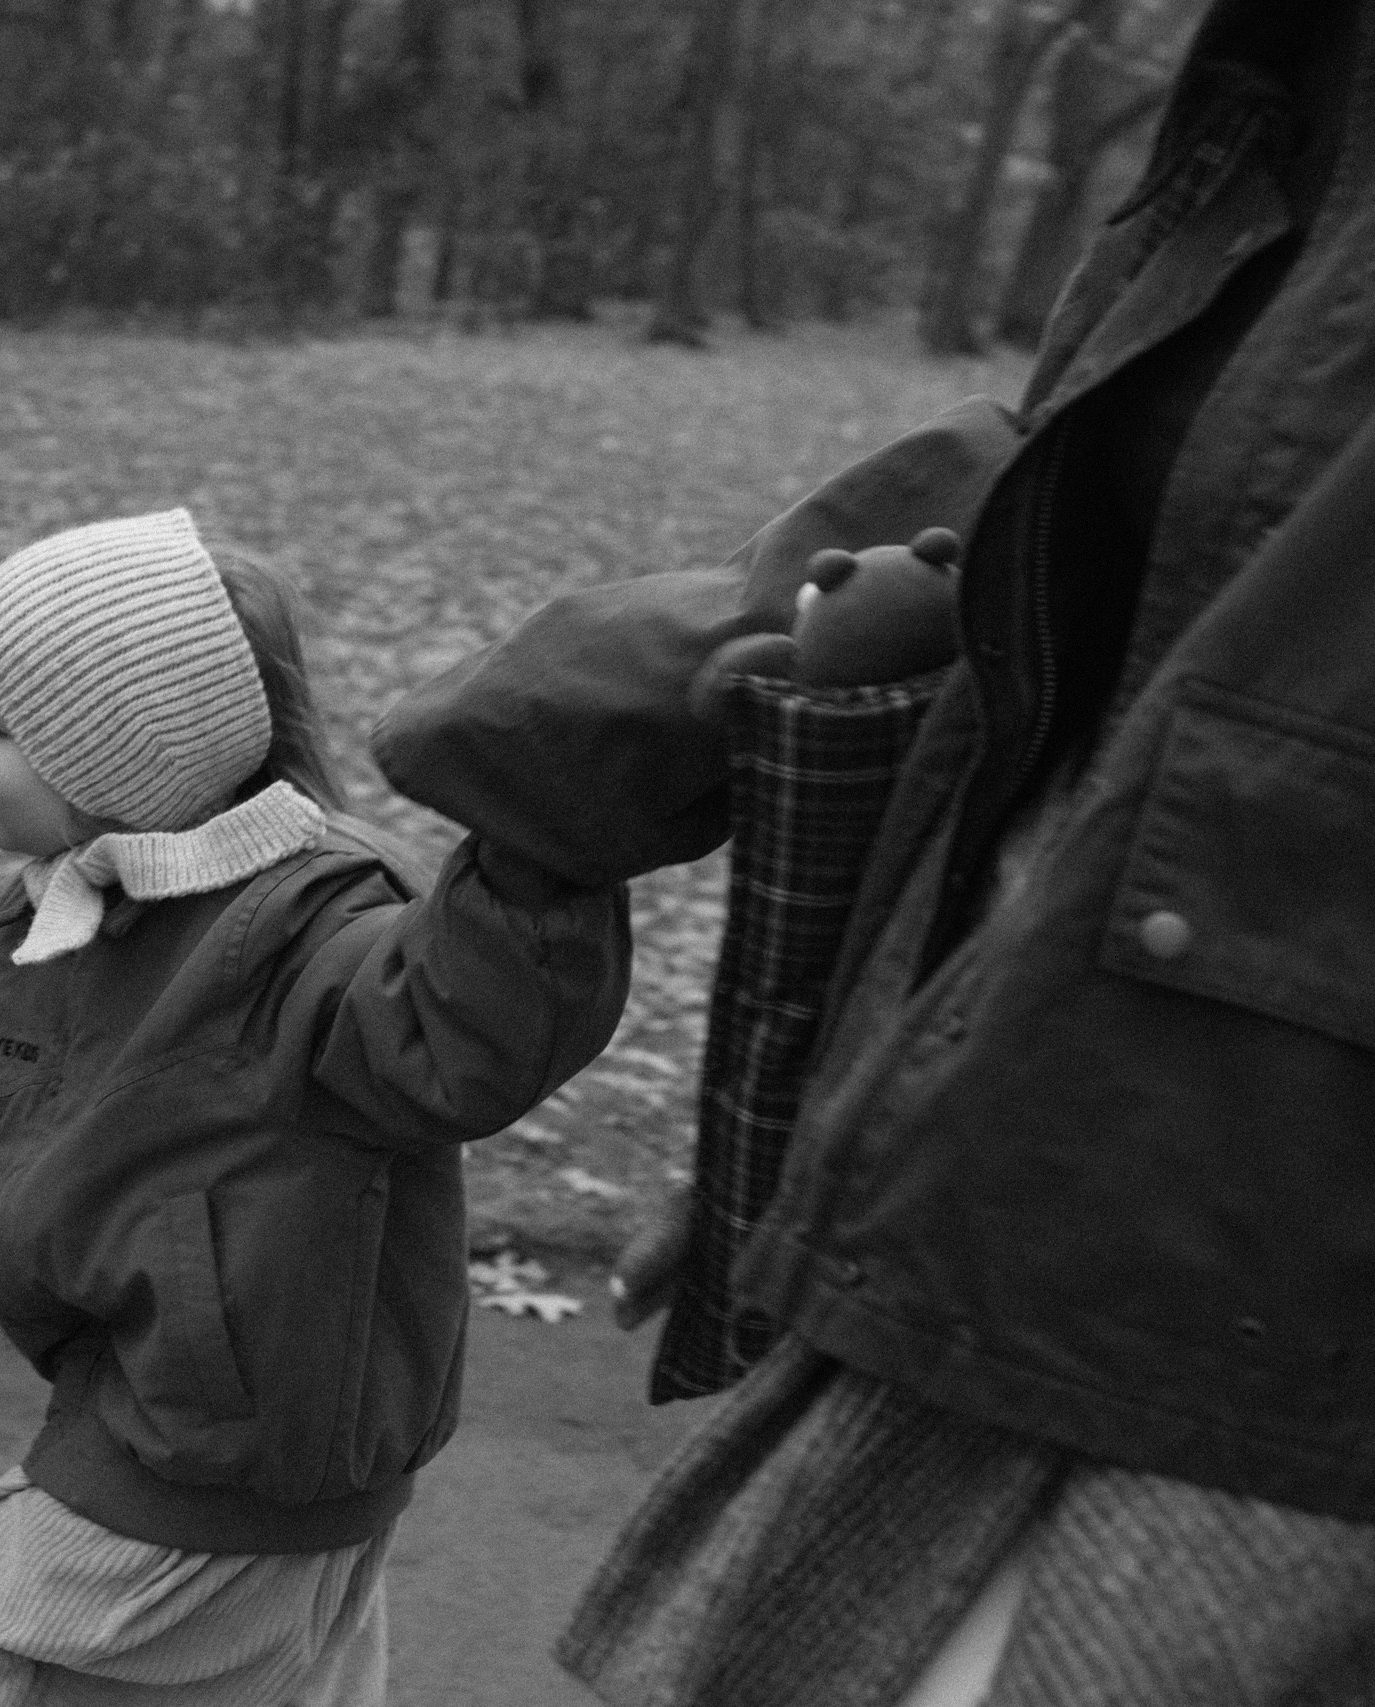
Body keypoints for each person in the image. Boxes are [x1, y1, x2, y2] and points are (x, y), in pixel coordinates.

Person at [373, 3, 1375, 1700]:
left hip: (1210, 1315)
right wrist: (836, 1107)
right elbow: (1103, 629)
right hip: (1026, 1185)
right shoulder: (1294, 76)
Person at [0, 509, 634, 1704]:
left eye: (0, 726)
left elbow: (467, 1030)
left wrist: (544, 846)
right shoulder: (57, 914)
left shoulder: (312, 938)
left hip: (226, 1458)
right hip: (167, 1421)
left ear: (115, 761)